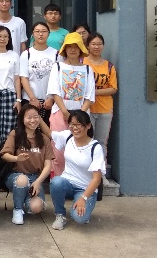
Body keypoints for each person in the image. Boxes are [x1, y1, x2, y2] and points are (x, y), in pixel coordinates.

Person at [47, 32, 96, 177]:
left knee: (79, 150)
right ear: (65, 49)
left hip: (81, 115)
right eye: (69, 46)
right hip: (60, 113)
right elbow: (55, 91)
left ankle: (77, 181)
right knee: (58, 151)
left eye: (76, 46)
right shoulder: (57, 67)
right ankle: (58, 181)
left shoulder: (88, 69)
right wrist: (65, 112)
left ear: (81, 49)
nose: (73, 49)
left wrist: (79, 116)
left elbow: (89, 95)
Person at [49, 110, 105, 230]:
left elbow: (97, 179)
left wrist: (83, 198)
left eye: (79, 124)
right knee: (56, 182)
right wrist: (37, 118)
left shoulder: (95, 147)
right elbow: (50, 134)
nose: (75, 128)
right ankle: (60, 215)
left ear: (88, 126)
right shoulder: (68, 136)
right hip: (68, 183)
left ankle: (83, 209)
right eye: (72, 124)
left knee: (80, 218)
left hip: (85, 189)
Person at [0, 104, 53, 225]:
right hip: (16, 175)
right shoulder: (15, 134)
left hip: (35, 177)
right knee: (22, 180)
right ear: (22, 119)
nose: (32, 120)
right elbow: (4, 155)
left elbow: (48, 165)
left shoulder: (44, 139)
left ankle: (23, 198)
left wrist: (38, 181)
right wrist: (16, 158)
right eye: (29, 117)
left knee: (36, 207)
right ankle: (17, 209)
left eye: (36, 117)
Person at [83, 33, 118, 180]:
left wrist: (93, 92)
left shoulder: (109, 66)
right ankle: (86, 174)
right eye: (93, 44)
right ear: (88, 46)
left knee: (101, 143)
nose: (96, 47)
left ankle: (100, 176)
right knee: (87, 141)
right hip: (87, 109)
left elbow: (113, 88)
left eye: (99, 44)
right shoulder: (82, 63)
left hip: (105, 109)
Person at [20, 22, 59, 126]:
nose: (40, 34)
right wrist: (33, 99)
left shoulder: (56, 54)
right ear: (33, 34)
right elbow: (24, 78)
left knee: (49, 131)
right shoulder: (26, 54)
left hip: (50, 102)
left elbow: (58, 79)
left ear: (48, 34)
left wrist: (51, 98)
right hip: (30, 100)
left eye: (44, 31)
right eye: (37, 31)